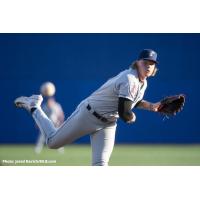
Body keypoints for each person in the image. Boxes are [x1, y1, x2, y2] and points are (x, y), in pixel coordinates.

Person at [15, 49, 162, 166]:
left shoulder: (143, 83)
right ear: (137, 63)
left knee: (100, 164)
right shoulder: (130, 79)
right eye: (145, 62)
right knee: (53, 143)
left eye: (152, 63)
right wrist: (131, 117)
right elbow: (125, 113)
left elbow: (133, 101)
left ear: (155, 67)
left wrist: (152, 106)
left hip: (108, 123)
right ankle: (34, 106)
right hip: (89, 115)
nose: (148, 65)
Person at [34, 82, 65, 154]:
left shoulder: (57, 105)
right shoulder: (45, 106)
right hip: (46, 123)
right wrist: (37, 123)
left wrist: (61, 122)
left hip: (55, 123)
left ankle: (60, 149)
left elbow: (61, 114)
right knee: (42, 136)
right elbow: (40, 115)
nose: (50, 101)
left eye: (51, 100)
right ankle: (37, 149)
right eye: (49, 100)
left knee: (58, 137)